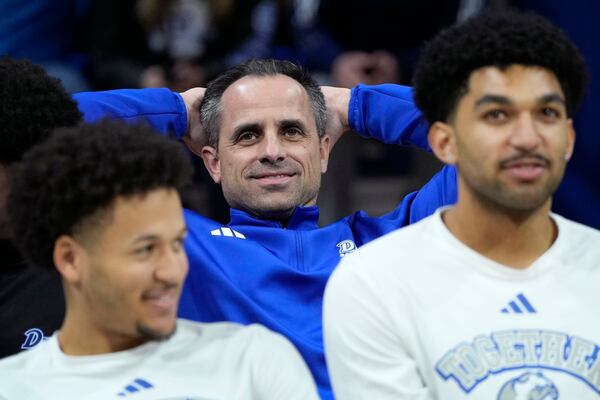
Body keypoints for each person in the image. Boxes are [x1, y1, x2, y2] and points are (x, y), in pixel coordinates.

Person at [323, 11, 599, 399]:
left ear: (568, 138)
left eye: (546, 113)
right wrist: (352, 104)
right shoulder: (371, 285)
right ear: (444, 142)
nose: (527, 137)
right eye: (496, 115)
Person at [172, 59, 457, 399]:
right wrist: (175, 112)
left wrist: (355, 106)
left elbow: (486, 144)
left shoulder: (392, 240)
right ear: (214, 162)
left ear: (323, 151)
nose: (273, 152)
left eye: (292, 131)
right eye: (248, 135)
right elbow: (88, 135)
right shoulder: (182, 247)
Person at [0, 120, 318, 399]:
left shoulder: (251, 357)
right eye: (145, 250)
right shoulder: (12, 386)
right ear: (71, 260)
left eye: (177, 244)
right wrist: (178, 107)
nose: (173, 272)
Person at [0, 56, 191, 359]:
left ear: (24, 166)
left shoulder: (104, 260)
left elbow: (59, 119)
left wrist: (179, 109)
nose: (169, 271)